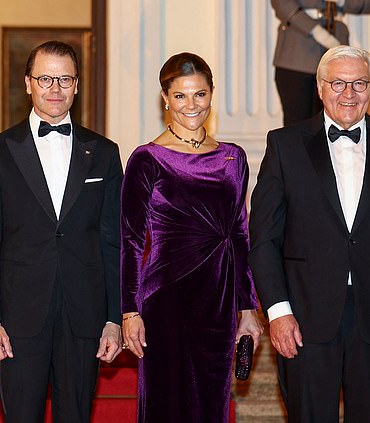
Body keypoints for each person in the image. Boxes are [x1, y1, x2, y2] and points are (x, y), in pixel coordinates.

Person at [249, 45, 370, 422]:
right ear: (319, 87)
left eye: (359, 83)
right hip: (304, 318)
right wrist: (278, 311)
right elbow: (264, 237)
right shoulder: (283, 145)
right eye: (338, 83)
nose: (348, 93)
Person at [0, 40, 123, 423]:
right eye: (45, 78)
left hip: (84, 315)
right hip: (19, 318)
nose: (54, 89)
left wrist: (113, 318)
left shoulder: (104, 151)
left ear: (77, 85)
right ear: (28, 83)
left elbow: (114, 242)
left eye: (64, 79)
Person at [120, 52, 263, 423]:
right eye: (180, 96)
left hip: (217, 302)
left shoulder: (234, 157)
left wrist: (248, 308)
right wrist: (129, 310)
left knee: (211, 405)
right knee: (165, 406)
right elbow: (132, 240)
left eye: (199, 94)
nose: (191, 105)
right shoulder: (147, 159)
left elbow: (240, 233)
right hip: (166, 298)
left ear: (211, 95)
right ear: (165, 98)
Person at [271, 0, 370, 126]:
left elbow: (367, 5)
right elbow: (282, 4)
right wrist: (315, 30)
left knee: (337, 123)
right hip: (298, 49)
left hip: (335, 40)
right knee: (297, 124)